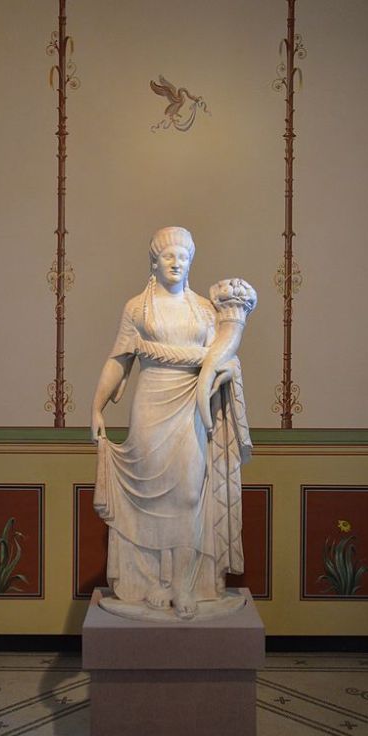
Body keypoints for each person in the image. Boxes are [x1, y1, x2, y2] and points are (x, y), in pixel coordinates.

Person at [91, 226, 256, 619]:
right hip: (151, 403)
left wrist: (227, 372)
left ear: (191, 261)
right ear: (154, 261)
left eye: (182, 256)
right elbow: (119, 359)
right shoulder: (138, 308)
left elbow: (223, 358)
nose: (176, 262)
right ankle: (156, 582)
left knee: (187, 495)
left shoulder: (204, 309)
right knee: (153, 498)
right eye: (168, 256)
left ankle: (184, 584)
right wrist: (97, 407)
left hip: (191, 408)